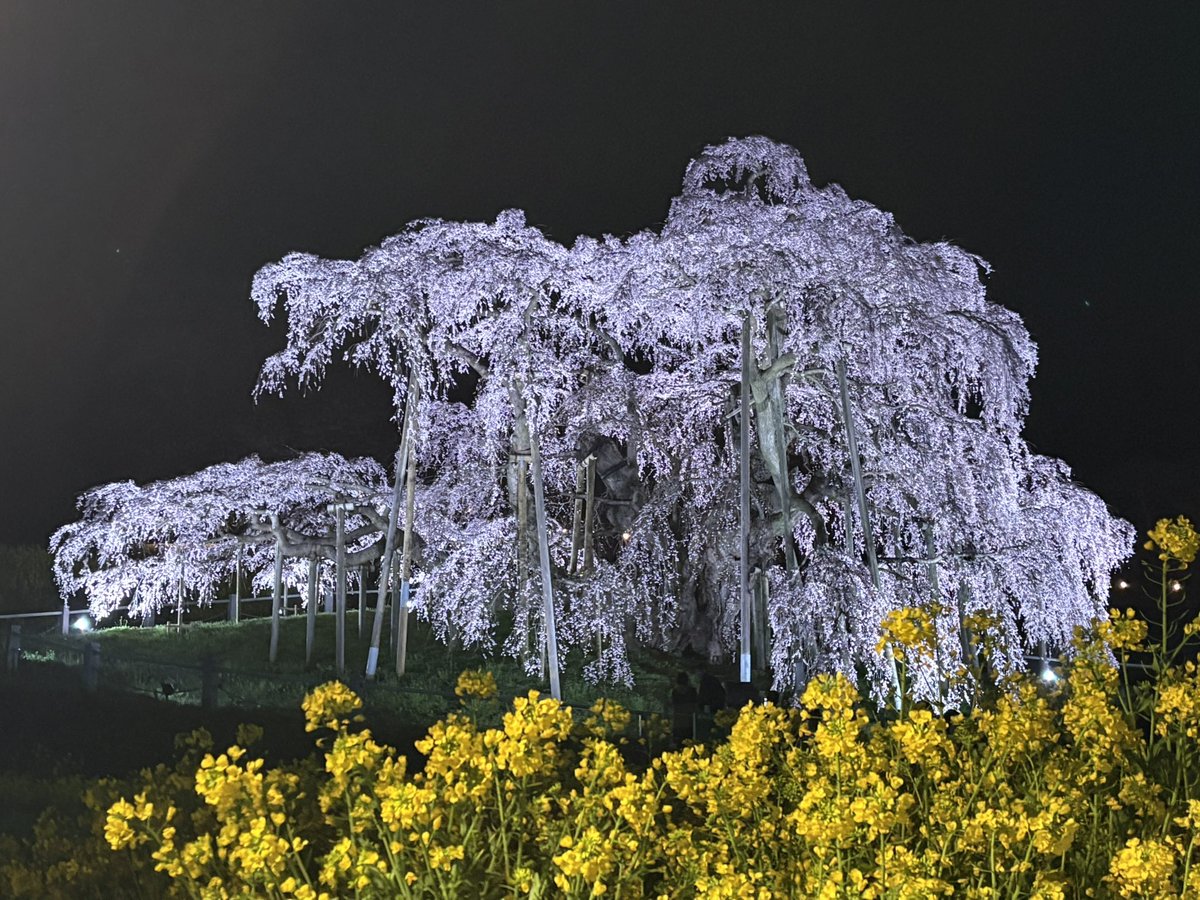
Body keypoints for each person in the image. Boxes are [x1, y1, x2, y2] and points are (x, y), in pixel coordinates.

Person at [670, 671, 698, 744]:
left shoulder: (675, 692)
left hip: (678, 722)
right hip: (689, 721)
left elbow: (673, 706)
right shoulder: (692, 691)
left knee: (678, 742)